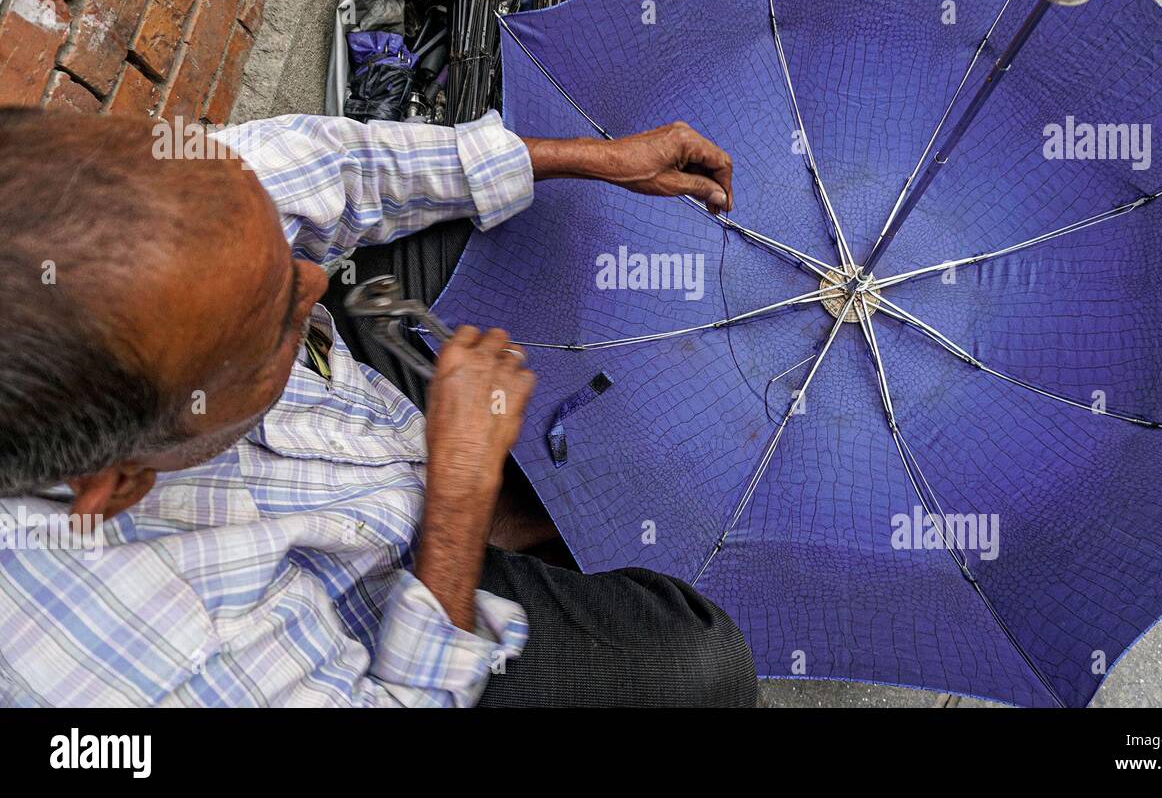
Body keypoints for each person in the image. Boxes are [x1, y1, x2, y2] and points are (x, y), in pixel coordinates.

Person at [0, 107, 757, 707]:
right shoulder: (139, 666)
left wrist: (585, 158)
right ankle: (508, 535)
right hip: (386, 609)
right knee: (702, 666)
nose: (317, 285)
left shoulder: (69, 219)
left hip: (365, 426)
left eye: (281, 257)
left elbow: (325, 167)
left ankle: (520, 515)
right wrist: (460, 499)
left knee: (550, 222)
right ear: (118, 483)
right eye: (273, 329)